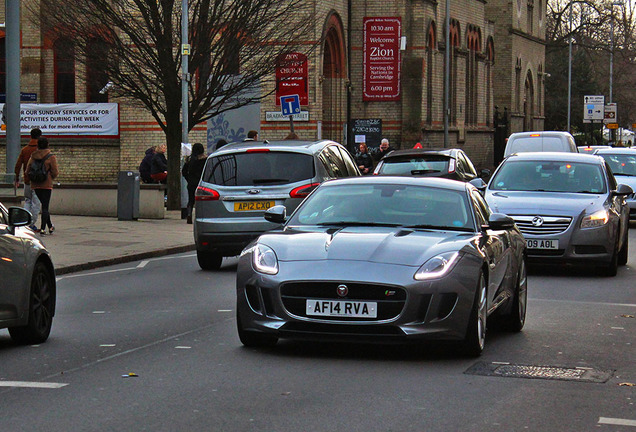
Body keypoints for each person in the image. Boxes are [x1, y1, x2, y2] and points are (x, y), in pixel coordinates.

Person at [27, 137, 59, 235]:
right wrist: (50, 177)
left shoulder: (33, 156)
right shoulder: (51, 156)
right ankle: (42, 229)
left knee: (43, 205)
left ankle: (50, 226)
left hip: (35, 185)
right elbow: (55, 172)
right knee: (45, 207)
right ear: (47, 144)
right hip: (46, 184)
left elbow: (27, 170)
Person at [13, 128, 42, 230]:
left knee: (28, 200)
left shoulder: (25, 150)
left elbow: (18, 165)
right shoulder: (41, 150)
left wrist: (17, 178)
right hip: (38, 181)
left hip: (27, 180)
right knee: (36, 203)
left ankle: (24, 222)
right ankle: (31, 224)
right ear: (40, 136)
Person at [182, 143, 207, 224]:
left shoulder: (190, 159)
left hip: (191, 183)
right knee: (202, 200)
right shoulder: (205, 159)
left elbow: (184, 171)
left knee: (191, 200)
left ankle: (189, 214)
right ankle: (201, 216)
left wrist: (188, 179)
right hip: (201, 183)